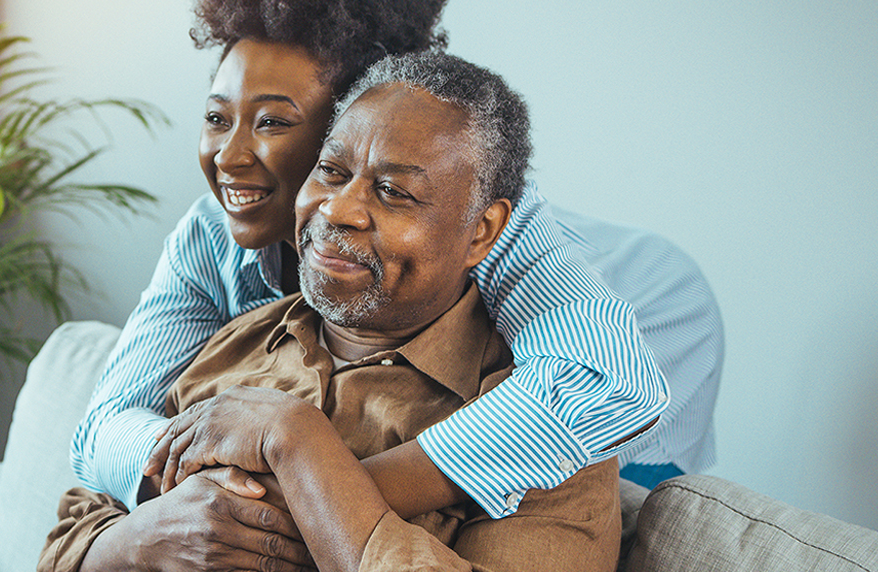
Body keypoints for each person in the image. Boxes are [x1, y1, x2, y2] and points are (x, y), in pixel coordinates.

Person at [71, 0, 721, 532]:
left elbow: (609, 382)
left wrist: (311, 496)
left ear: (360, 119)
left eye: (272, 122)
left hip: (654, 340)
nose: (229, 157)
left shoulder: (513, 232)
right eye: (217, 117)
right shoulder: (211, 234)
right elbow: (103, 428)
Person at [42, 50, 621, 572]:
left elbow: (612, 381)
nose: (339, 210)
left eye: (393, 192)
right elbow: (72, 525)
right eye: (332, 172)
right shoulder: (236, 338)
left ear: (484, 231)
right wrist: (142, 538)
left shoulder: (548, 437)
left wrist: (295, 442)